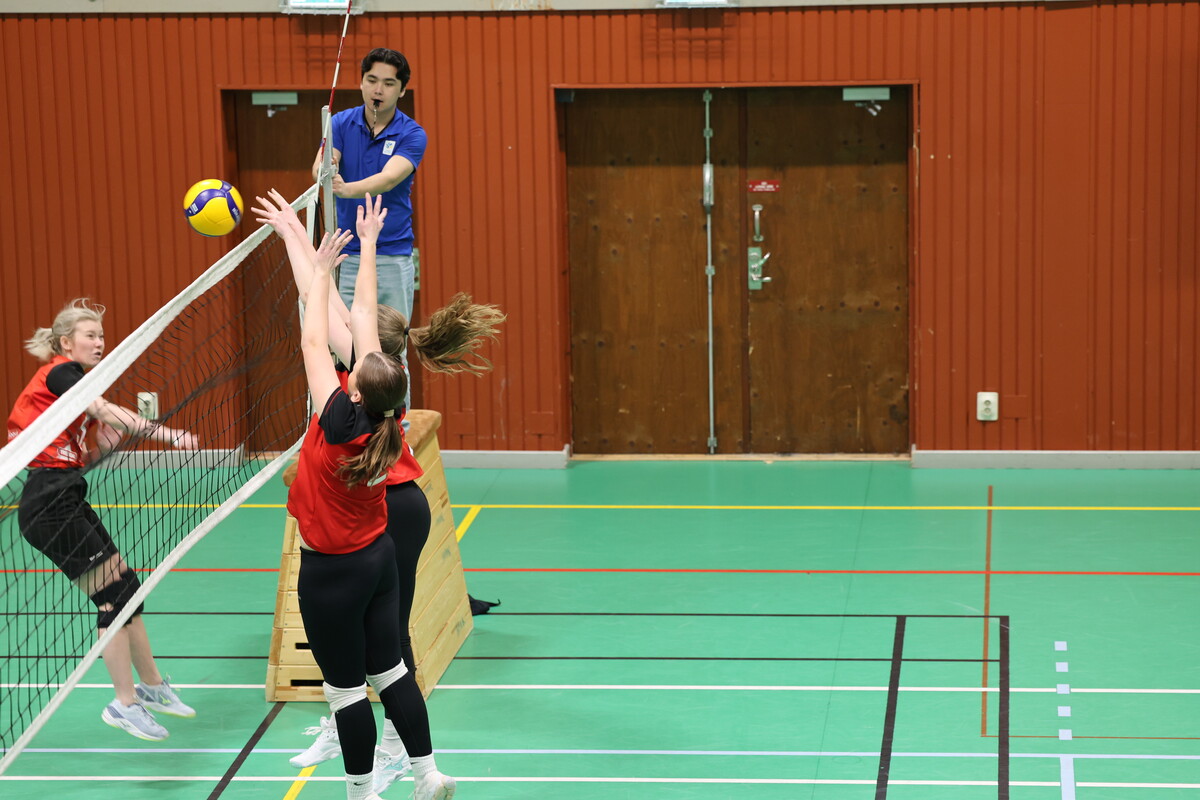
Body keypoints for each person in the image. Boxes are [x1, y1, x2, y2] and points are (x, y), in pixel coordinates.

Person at [254, 189, 502, 796]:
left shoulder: (341, 412)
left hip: (349, 551)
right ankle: (422, 768)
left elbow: (317, 330)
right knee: (389, 660)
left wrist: (316, 262)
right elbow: (356, 309)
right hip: (380, 539)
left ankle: (370, 774)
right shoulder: (385, 396)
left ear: (359, 380)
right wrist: (347, 245)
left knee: (354, 680)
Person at [7, 298, 199, 741]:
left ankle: (152, 687)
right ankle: (123, 704)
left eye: (101, 336)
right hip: (49, 505)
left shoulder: (70, 388)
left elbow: (77, 456)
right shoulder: (60, 373)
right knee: (112, 597)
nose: (99, 343)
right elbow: (104, 409)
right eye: (90, 336)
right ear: (65, 343)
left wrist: (104, 449)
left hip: (66, 494)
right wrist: (168, 434)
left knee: (127, 590)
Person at [312, 46, 427, 413]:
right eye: (372, 80)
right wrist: (326, 167)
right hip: (346, 252)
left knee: (390, 347)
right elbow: (319, 169)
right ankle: (354, 423)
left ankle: (397, 428)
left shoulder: (412, 134)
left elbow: (389, 178)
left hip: (390, 254)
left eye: (388, 83)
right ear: (361, 82)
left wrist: (347, 188)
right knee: (345, 345)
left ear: (402, 90)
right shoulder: (339, 124)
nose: (378, 89)